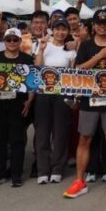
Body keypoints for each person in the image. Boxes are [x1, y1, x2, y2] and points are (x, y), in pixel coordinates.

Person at [64, 10, 106, 199]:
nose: (102, 26)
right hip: (88, 100)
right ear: (93, 25)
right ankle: (79, 180)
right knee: (84, 138)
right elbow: (79, 69)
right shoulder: (86, 45)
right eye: (99, 23)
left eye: (105, 23)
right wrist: (100, 55)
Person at [0, 28, 34, 187]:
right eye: (9, 39)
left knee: (17, 140)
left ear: (20, 41)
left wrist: (30, 100)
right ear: (4, 41)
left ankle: (16, 175)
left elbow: (32, 81)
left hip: (18, 105)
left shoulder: (27, 59)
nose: (12, 42)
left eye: (15, 39)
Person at [34, 18, 76, 185]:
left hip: (62, 93)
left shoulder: (70, 51)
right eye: (57, 29)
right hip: (44, 93)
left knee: (60, 132)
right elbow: (38, 68)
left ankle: (57, 168)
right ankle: (43, 170)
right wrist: (41, 49)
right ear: (52, 30)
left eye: (64, 29)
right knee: (42, 132)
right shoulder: (44, 45)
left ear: (68, 32)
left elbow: (73, 73)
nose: (60, 32)